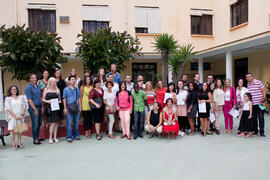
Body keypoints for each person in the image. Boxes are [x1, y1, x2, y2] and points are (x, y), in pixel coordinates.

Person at [5, 86, 26, 150]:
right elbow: (8, 109)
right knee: (12, 131)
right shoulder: (8, 98)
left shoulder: (20, 97)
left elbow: (23, 106)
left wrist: (22, 115)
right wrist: (15, 117)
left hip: (20, 116)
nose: (14, 90)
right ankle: (13, 145)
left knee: (19, 130)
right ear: (10, 90)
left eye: (15, 89)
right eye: (12, 89)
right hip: (12, 117)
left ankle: (19, 143)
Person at [246, 72, 266, 137]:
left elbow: (263, 90)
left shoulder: (258, 82)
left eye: (249, 76)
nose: (248, 78)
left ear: (252, 76)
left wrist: (263, 98)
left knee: (261, 117)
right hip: (253, 104)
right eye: (247, 77)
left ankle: (262, 132)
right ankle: (255, 131)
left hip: (260, 103)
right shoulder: (248, 84)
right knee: (254, 118)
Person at [42, 77, 61, 144]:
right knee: (52, 123)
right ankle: (50, 138)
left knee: (56, 123)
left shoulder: (57, 90)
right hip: (49, 108)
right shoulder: (46, 89)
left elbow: (59, 99)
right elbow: (43, 99)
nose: (54, 83)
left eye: (55, 82)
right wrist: (48, 101)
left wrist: (59, 101)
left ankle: (55, 137)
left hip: (56, 108)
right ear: (49, 82)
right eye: (53, 82)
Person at [63, 75, 82, 143]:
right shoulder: (66, 89)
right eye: (72, 79)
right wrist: (65, 108)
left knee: (76, 123)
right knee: (69, 124)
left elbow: (79, 98)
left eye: (74, 79)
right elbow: (64, 99)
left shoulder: (77, 89)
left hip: (76, 108)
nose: (73, 81)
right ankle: (69, 137)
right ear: (69, 81)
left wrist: (80, 106)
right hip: (69, 108)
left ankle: (76, 135)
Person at [25, 73, 42, 145]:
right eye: (32, 78)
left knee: (39, 123)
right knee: (35, 123)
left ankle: (37, 137)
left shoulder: (38, 86)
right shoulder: (28, 87)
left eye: (35, 77)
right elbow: (29, 99)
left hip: (40, 106)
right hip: (33, 108)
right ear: (30, 79)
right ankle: (35, 139)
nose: (34, 79)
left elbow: (40, 97)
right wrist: (35, 109)